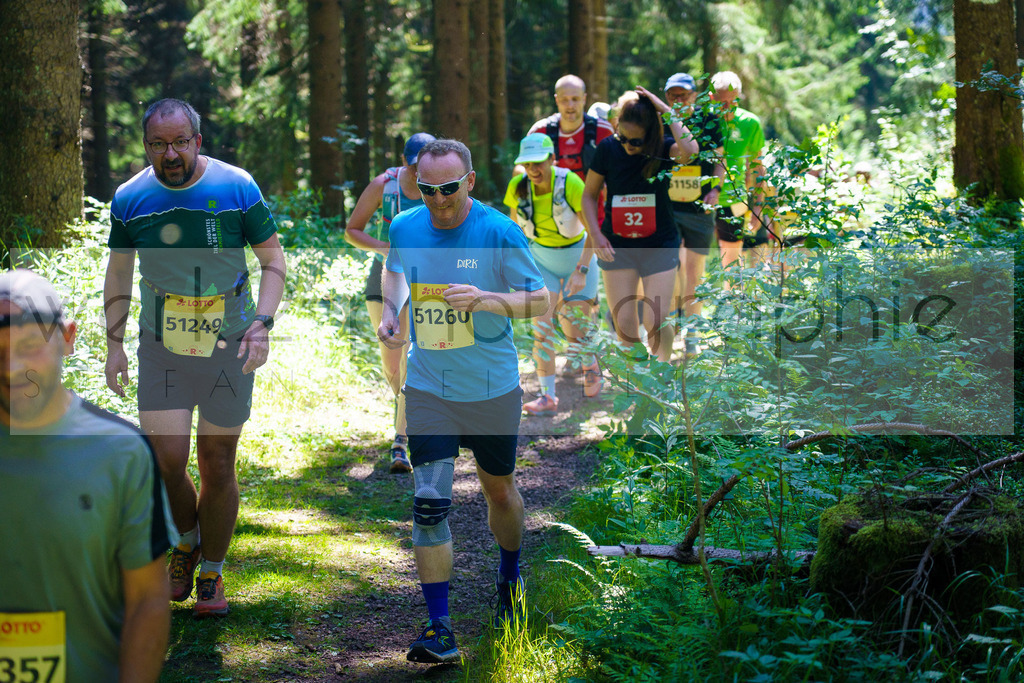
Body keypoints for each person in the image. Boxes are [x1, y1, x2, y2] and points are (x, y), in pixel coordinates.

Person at [104, 98, 286, 618]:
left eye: (180, 141)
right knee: (165, 459)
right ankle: (185, 542)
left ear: (197, 141)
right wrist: (115, 344)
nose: (171, 153)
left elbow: (272, 259)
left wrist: (263, 323)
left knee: (217, 462)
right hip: (160, 345)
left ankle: (212, 571)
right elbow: (118, 274)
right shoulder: (130, 197)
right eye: (159, 144)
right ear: (146, 146)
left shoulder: (235, 186)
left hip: (228, 344)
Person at [377, 139, 548, 663]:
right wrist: (391, 310)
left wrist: (486, 300)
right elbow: (394, 269)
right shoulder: (405, 225)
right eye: (428, 189)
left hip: (492, 389)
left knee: (499, 492)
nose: (439, 199)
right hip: (429, 387)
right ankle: (439, 628)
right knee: (429, 502)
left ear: (470, 181)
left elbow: (541, 299)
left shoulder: (498, 232)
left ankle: (510, 575)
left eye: (449, 188)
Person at [1, 269, 177, 682]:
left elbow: (148, 600)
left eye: (29, 346)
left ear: (67, 337)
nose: (12, 368)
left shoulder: (121, 452)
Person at [582, 87, 698, 362]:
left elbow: (691, 151)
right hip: (618, 245)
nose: (627, 144)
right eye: (622, 135)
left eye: (635, 141)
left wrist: (664, 109)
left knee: (655, 321)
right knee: (625, 326)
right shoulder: (608, 148)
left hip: (658, 244)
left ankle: (661, 376)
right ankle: (638, 386)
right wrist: (596, 235)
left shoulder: (665, 149)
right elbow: (588, 195)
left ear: (650, 135)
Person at [345, 132, 436, 473]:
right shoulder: (384, 186)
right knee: (393, 366)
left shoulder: (440, 186)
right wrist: (386, 249)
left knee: (412, 360)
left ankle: (401, 441)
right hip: (383, 277)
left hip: (424, 281)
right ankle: (409, 409)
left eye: (426, 166)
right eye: (415, 166)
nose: (421, 173)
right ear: (404, 162)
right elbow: (352, 230)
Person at [504, 133, 610, 416]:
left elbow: (592, 229)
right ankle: (547, 396)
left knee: (574, 331)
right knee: (543, 328)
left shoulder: (571, 183)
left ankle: (591, 365)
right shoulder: (517, 187)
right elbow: (513, 232)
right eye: (527, 164)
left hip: (578, 258)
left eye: (538, 162)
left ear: (552, 159)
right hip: (543, 261)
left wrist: (582, 270)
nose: (533, 170)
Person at [663, 72, 725, 357]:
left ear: (693, 96)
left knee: (694, 273)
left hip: (699, 208)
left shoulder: (709, 121)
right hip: (668, 207)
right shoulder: (660, 122)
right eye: (673, 95)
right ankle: (669, 325)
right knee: (668, 269)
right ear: (666, 97)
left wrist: (716, 189)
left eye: (683, 95)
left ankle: (693, 334)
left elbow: (719, 160)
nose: (679, 100)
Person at [709, 71, 768, 270]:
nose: (727, 107)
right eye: (721, 102)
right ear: (711, 97)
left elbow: (758, 166)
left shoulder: (750, 123)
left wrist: (758, 206)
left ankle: (731, 300)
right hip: (701, 198)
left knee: (732, 263)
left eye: (732, 101)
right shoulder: (702, 122)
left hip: (734, 201)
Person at [527, 74, 615, 181]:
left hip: (594, 197)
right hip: (552, 197)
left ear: (584, 99)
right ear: (557, 100)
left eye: (575, 99)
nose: (570, 105)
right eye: (564, 100)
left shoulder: (604, 130)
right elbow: (523, 167)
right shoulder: (539, 132)